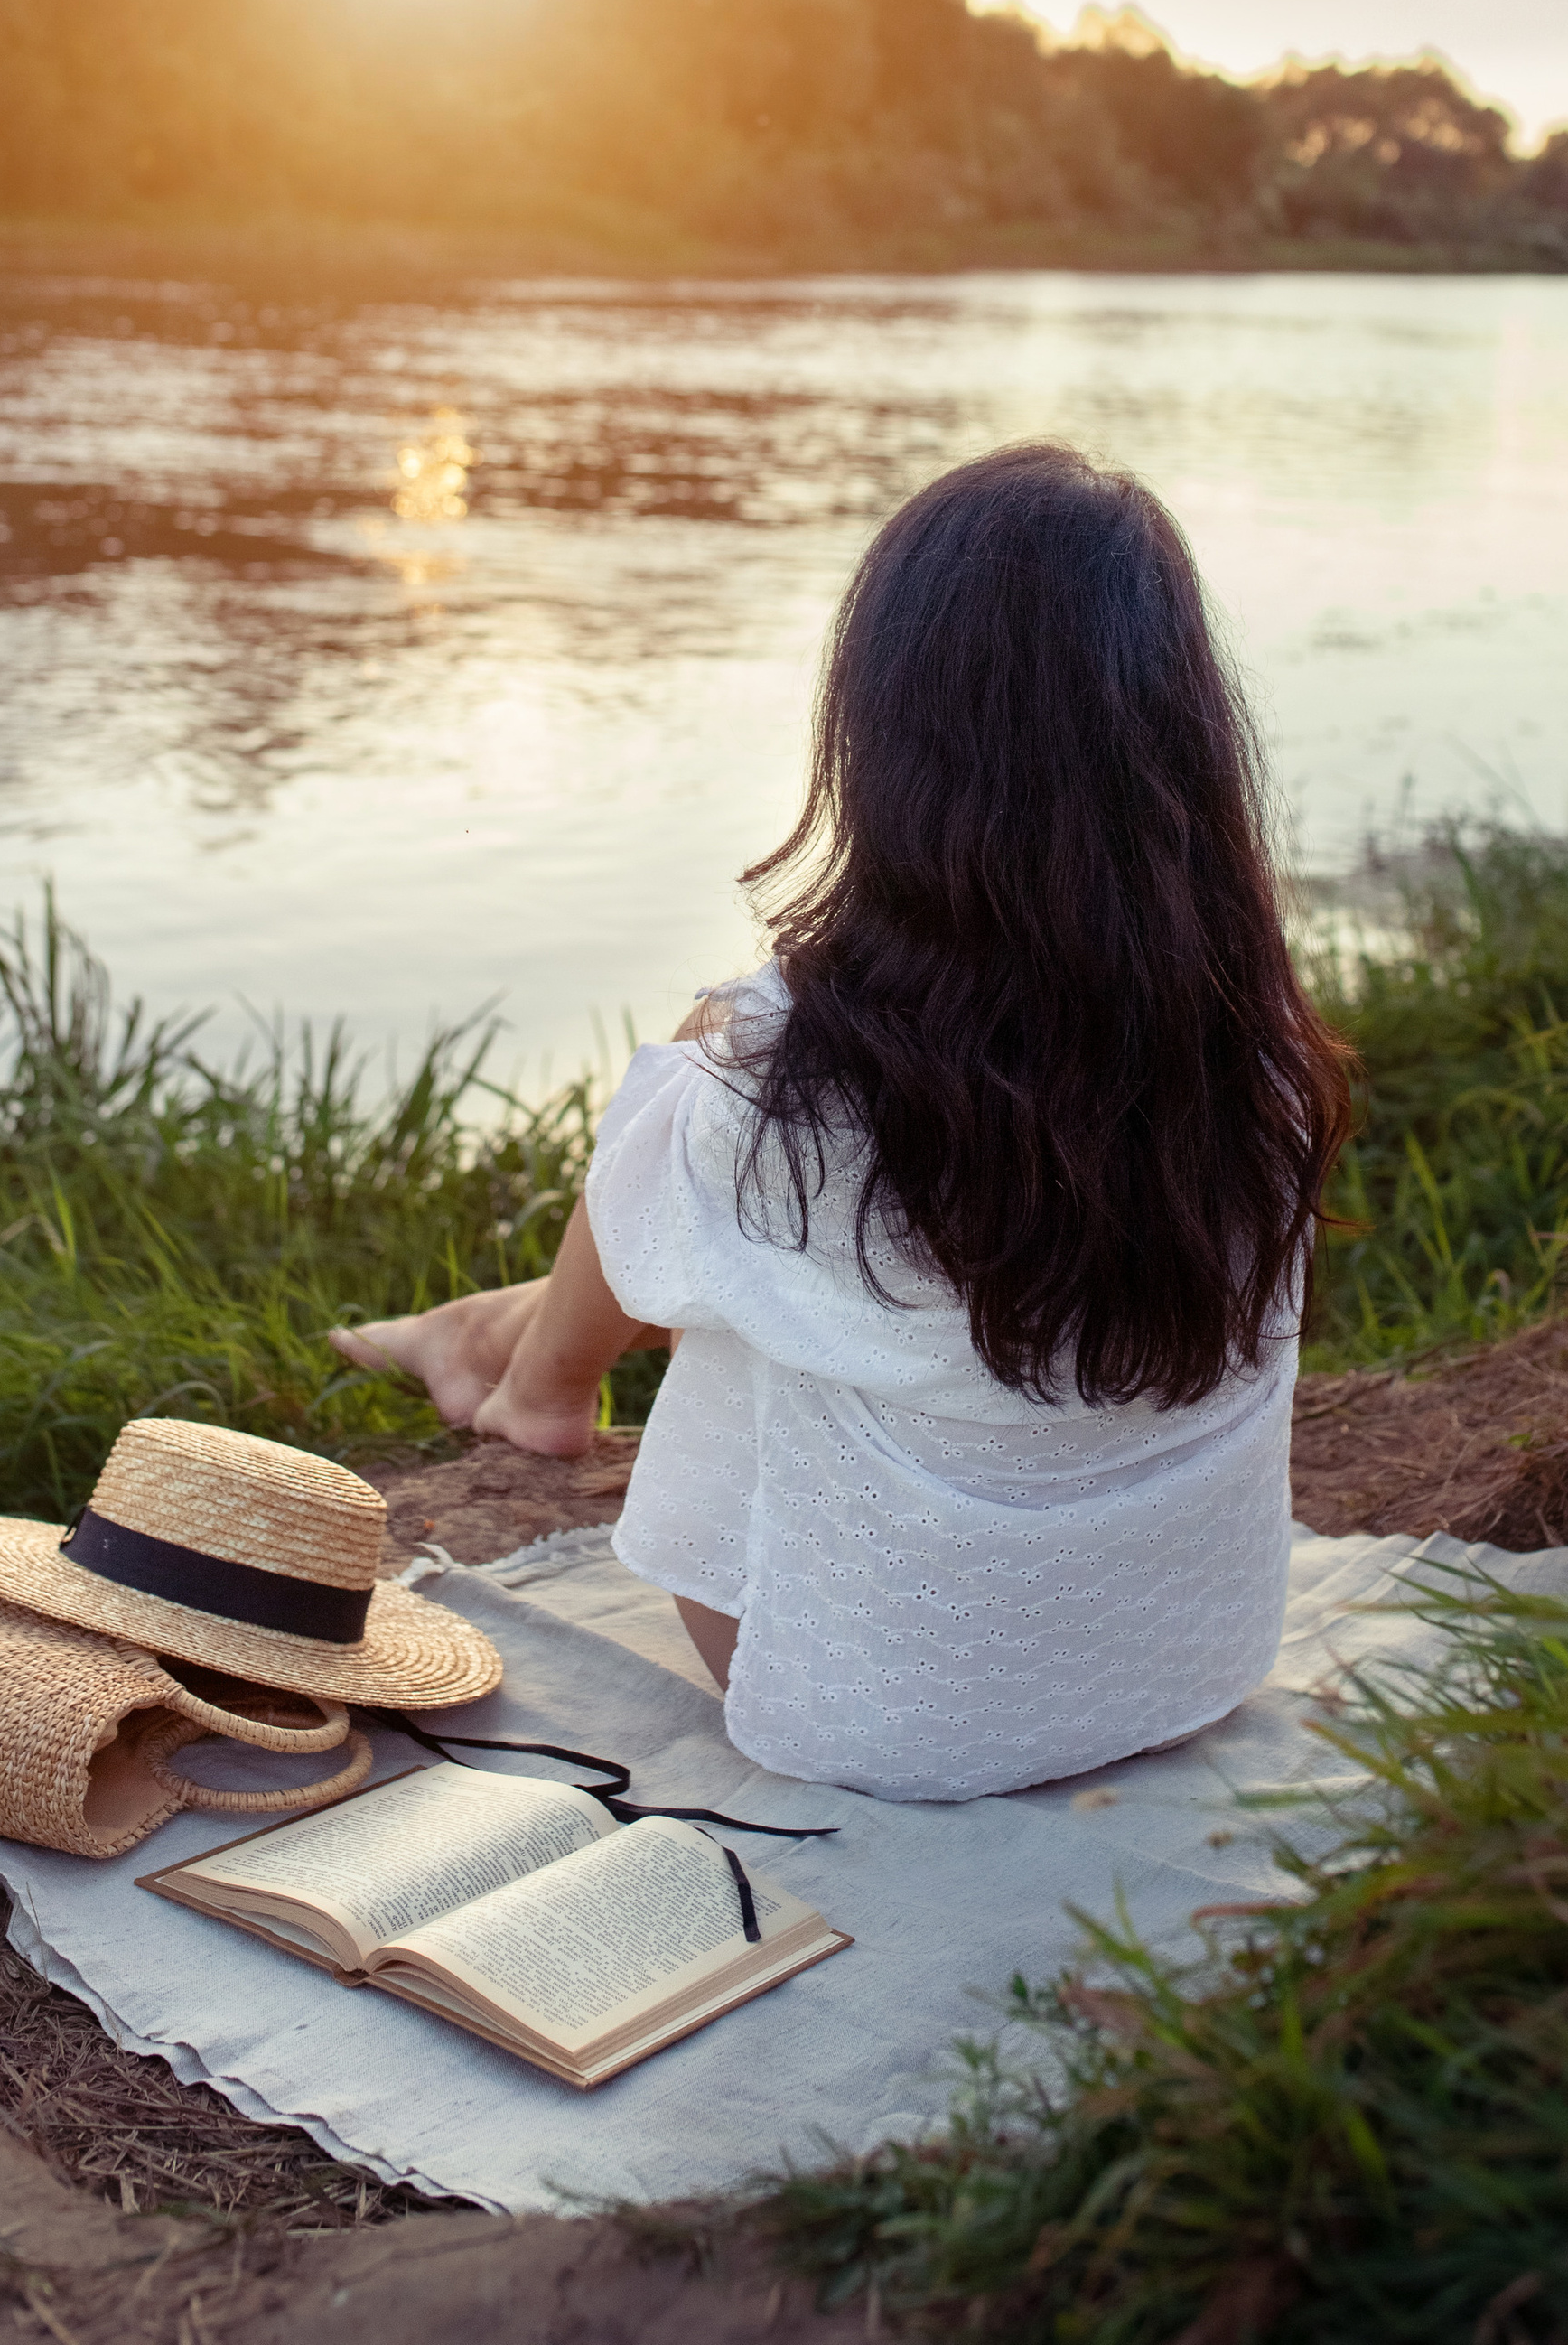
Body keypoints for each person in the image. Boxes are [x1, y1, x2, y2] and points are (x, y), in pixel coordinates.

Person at [334, 444, 1351, 1801]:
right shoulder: (1255, 1048)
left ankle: (529, 1381)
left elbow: (666, 1204)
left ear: (885, 732)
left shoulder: (785, 1062)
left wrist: (570, 1379)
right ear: (1185, 729)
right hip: (1186, 1663)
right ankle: (497, 1340)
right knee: (785, 1239)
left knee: (712, 1154)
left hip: (876, 1707)